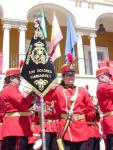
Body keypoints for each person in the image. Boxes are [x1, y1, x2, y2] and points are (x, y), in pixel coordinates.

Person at [44, 55, 96, 150]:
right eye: (68, 75)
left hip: (81, 126)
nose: (71, 77)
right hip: (66, 126)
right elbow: (46, 98)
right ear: (63, 77)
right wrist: (49, 87)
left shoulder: (81, 90)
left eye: (72, 75)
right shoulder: (58, 90)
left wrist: (88, 116)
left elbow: (90, 108)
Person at [0, 68, 35, 150]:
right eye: (18, 77)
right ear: (11, 79)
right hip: (16, 126)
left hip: (13, 125)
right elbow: (23, 103)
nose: (20, 80)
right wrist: (33, 93)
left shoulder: (6, 89)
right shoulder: (11, 89)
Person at [96, 67, 113, 150]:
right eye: (108, 76)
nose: (110, 78)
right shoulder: (104, 86)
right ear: (102, 77)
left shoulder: (102, 86)